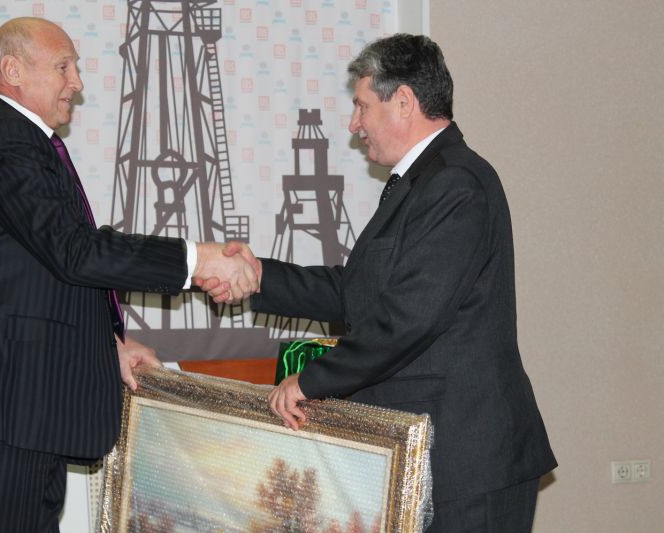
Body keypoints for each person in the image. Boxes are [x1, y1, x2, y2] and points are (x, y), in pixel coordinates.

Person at [0, 17, 257, 532]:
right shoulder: (4, 138)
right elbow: (74, 251)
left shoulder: (17, 139)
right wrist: (197, 260)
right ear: (13, 71)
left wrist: (107, 346)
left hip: (18, 414)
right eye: (63, 66)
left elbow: (39, 272)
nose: (77, 82)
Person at [203, 33, 557, 532]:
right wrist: (260, 276)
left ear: (404, 101)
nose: (354, 124)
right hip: (429, 455)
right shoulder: (421, 183)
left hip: (467, 461)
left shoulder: (457, 183)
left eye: (362, 106)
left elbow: (410, 318)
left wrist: (310, 381)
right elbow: (356, 293)